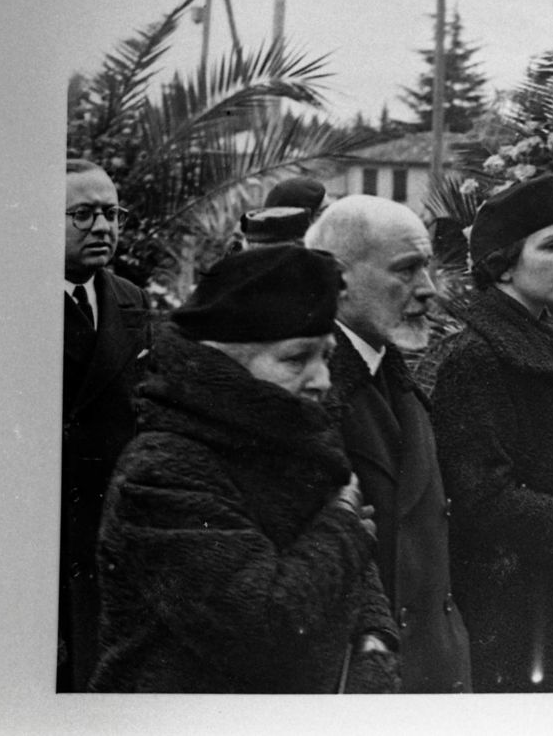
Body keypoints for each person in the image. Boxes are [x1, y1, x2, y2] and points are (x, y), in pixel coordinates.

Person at [91, 246, 398, 693]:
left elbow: (351, 567)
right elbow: (261, 626)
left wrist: (375, 639)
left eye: (326, 357)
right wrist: (344, 527)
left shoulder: (292, 435)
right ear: (222, 360)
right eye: (296, 359)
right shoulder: (162, 470)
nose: (322, 380)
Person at [431, 175, 553, 692]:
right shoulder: (478, 357)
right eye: (551, 246)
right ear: (503, 264)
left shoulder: (550, 335)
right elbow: (483, 499)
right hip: (509, 597)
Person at [305, 196, 472, 693]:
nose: (429, 291)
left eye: (428, 268)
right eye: (407, 270)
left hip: (430, 662)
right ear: (339, 279)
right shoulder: (313, 388)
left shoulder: (387, 369)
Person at [60, 159, 150, 691]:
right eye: (82, 214)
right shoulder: (4, 301)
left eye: (111, 214)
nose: (102, 228)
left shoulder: (129, 300)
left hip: (110, 529)